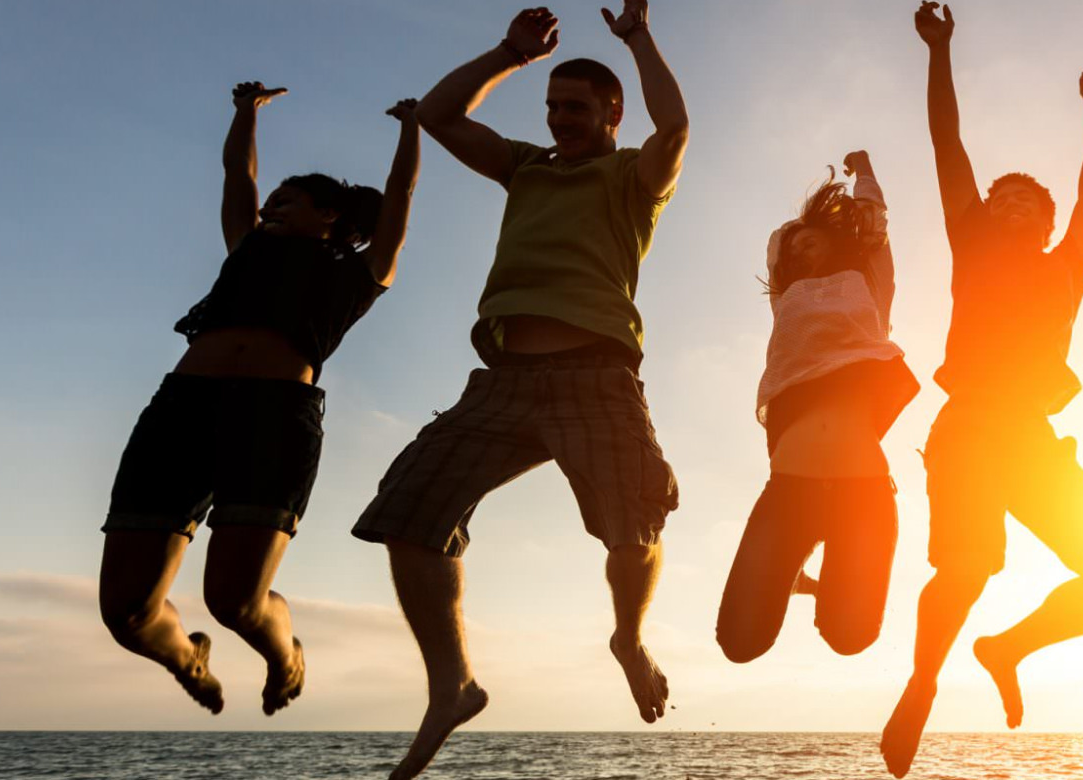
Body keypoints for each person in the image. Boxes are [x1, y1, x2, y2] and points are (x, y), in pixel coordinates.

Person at [347, 5, 689, 778]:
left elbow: (675, 131)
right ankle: (453, 685)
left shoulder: (631, 178)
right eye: (553, 107)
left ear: (611, 114)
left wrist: (637, 39)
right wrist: (510, 53)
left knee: (635, 525)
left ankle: (628, 638)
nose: (560, 119)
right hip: (502, 382)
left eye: (576, 108)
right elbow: (439, 114)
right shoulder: (526, 167)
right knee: (408, 513)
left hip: (597, 376)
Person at [881, 4, 1083, 776]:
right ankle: (923, 682)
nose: (1012, 205)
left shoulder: (1069, 264)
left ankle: (1008, 647)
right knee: (967, 568)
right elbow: (946, 144)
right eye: (1002, 198)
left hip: (1033, 436)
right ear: (985, 212)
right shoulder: (972, 244)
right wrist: (941, 50)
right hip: (967, 426)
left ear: (1048, 223)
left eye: (1029, 203)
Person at [97, 82, 419, 717]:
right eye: (271, 198)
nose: (270, 205)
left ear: (329, 216)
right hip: (183, 410)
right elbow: (236, 173)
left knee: (235, 602)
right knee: (128, 613)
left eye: (288, 200)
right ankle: (187, 656)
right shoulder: (246, 248)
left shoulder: (359, 273)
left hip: (274, 421)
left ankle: (284, 655)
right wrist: (245, 115)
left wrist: (411, 129)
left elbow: (401, 197)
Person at [715, 151, 920, 662]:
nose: (802, 252)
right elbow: (776, 250)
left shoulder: (870, 287)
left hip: (864, 493)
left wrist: (866, 173)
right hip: (790, 492)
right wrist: (791, 234)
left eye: (812, 241)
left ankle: (814, 567)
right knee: (739, 644)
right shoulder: (787, 299)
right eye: (794, 249)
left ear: (837, 241)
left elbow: (874, 227)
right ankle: (798, 571)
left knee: (850, 638)